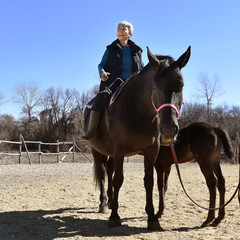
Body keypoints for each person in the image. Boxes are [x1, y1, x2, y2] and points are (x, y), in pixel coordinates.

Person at [82, 21, 143, 141]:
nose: (120, 31)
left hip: (132, 84)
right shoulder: (111, 49)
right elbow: (101, 65)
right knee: (100, 99)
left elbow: (142, 67)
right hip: (113, 83)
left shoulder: (137, 51)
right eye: (119, 29)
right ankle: (91, 131)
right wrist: (102, 73)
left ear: (130, 34)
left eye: (123, 29)